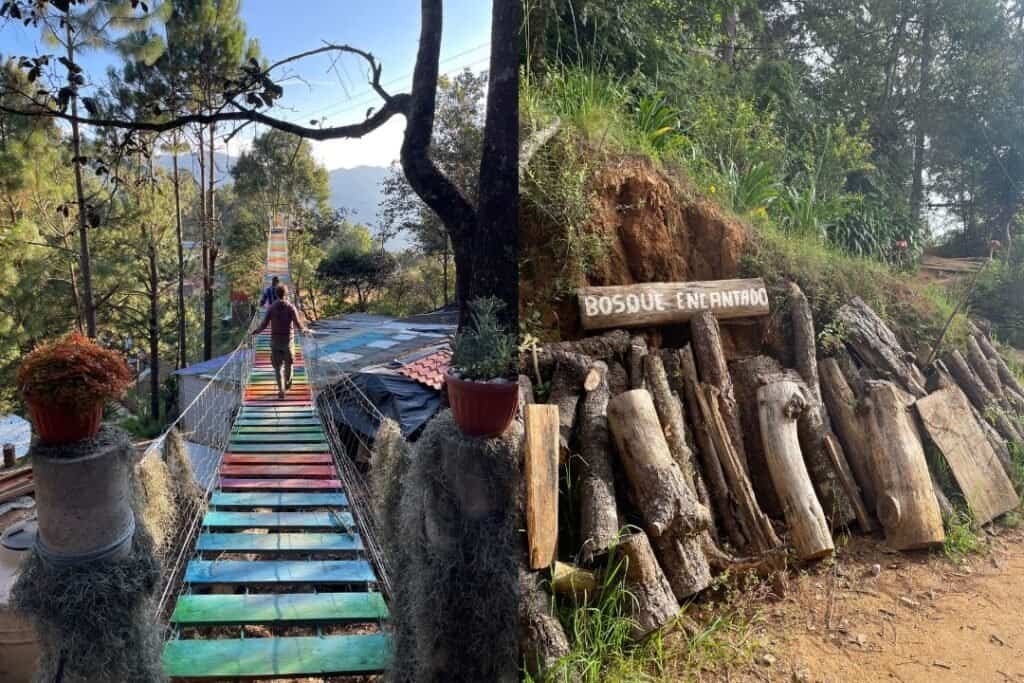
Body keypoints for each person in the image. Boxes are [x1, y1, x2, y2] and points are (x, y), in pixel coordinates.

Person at [252, 284, 309, 399]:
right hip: (288, 341)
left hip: (275, 341)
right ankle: (287, 382)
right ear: (286, 293)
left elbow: (264, 325)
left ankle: (281, 390)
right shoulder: (291, 307)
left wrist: (256, 331)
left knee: (277, 367)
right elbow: (298, 324)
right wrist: (304, 329)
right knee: (289, 364)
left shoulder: (271, 308)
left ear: (276, 294)